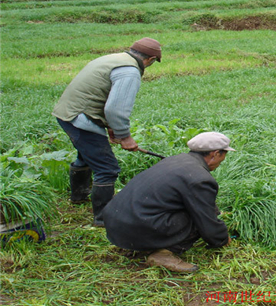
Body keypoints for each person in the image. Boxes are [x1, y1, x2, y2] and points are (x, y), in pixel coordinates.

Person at [52, 37, 162, 227]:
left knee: (86, 155)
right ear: (150, 59)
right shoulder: (130, 72)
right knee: (107, 168)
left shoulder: (114, 58)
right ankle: (103, 218)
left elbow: (102, 96)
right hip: (81, 118)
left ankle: (79, 196)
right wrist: (125, 136)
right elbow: (116, 110)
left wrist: (112, 128)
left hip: (66, 113)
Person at [102, 132, 235, 273]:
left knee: (194, 209)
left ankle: (140, 242)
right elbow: (205, 219)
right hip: (135, 228)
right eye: (223, 155)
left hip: (115, 221)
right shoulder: (200, 178)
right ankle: (164, 254)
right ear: (215, 154)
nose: (222, 161)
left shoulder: (177, 159)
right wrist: (221, 239)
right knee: (195, 217)